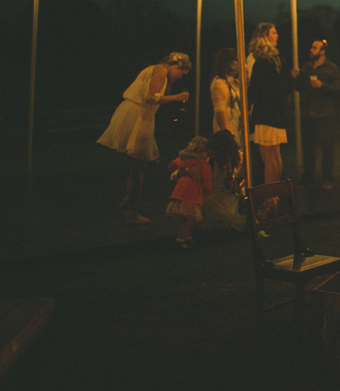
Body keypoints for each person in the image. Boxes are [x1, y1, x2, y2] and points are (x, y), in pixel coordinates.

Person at [98, 52, 191, 224]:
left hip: (140, 114)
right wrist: (177, 98)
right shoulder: (161, 70)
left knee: (149, 163)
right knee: (139, 165)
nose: (179, 77)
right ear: (177, 66)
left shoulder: (153, 70)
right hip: (139, 115)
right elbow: (150, 98)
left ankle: (129, 198)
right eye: (181, 73)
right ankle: (132, 212)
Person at [166, 130, 241, 249]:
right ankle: (183, 237)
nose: (210, 152)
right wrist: (186, 171)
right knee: (191, 216)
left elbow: (238, 184)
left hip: (221, 194)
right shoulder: (201, 155)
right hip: (202, 193)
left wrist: (237, 188)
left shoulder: (230, 160)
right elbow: (174, 173)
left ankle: (187, 236)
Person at [246, 23, 291, 193]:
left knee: (268, 158)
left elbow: (253, 92)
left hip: (264, 114)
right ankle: (275, 194)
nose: (277, 35)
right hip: (278, 113)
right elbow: (287, 87)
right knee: (276, 156)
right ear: (265, 36)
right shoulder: (279, 61)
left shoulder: (259, 62)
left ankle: (269, 196)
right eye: (274, 32)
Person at [296, 39, 340, 188]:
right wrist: (296, 77)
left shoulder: (332, 68)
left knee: (327, 147)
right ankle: (308, 178)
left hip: (325, 114)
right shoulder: (306, 67)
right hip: (309, 113)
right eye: (311, 47)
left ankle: (327, 179)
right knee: (309, 148)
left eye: (314, 48)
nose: (311, 49)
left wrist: (322, 86)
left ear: (322, 52)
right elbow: (300, 88)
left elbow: (338, 89)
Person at [210, 48, 242, 147]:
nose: (237, 63)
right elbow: (219, 109)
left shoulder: (233, 80)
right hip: (226, 125)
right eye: (234, 60)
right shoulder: (219, 82)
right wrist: (226, 133)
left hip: (237, 123)